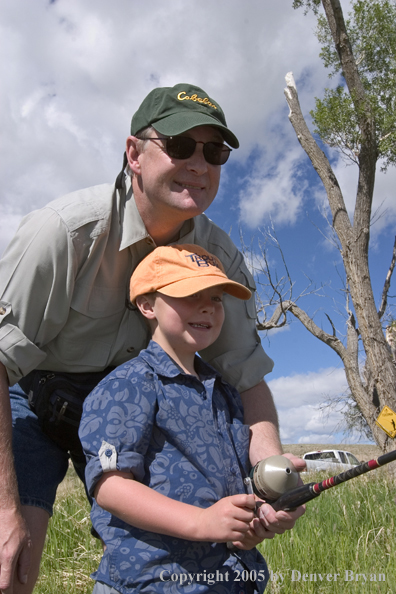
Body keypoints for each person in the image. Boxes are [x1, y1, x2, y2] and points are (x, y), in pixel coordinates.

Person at [0, 82, 305, 594]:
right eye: (181, 146)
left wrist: (270, 475)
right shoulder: (66, 232)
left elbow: (246, 376)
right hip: (29, 393)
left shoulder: (219, 261)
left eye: (215, 152)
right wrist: (5, 507)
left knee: (152, 557)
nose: (199, 163)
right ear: (133, 154)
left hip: (137, 402)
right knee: (11, 563)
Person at [79, 243, 270, 594]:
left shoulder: (224, 391)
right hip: (150, 583)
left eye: (216, 298)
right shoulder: (129, 384)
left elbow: (229, 486)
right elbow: (110, 487)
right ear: (147, 305)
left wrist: (257, 514)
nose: (207, 306)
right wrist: (202, 522)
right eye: (190, 293)